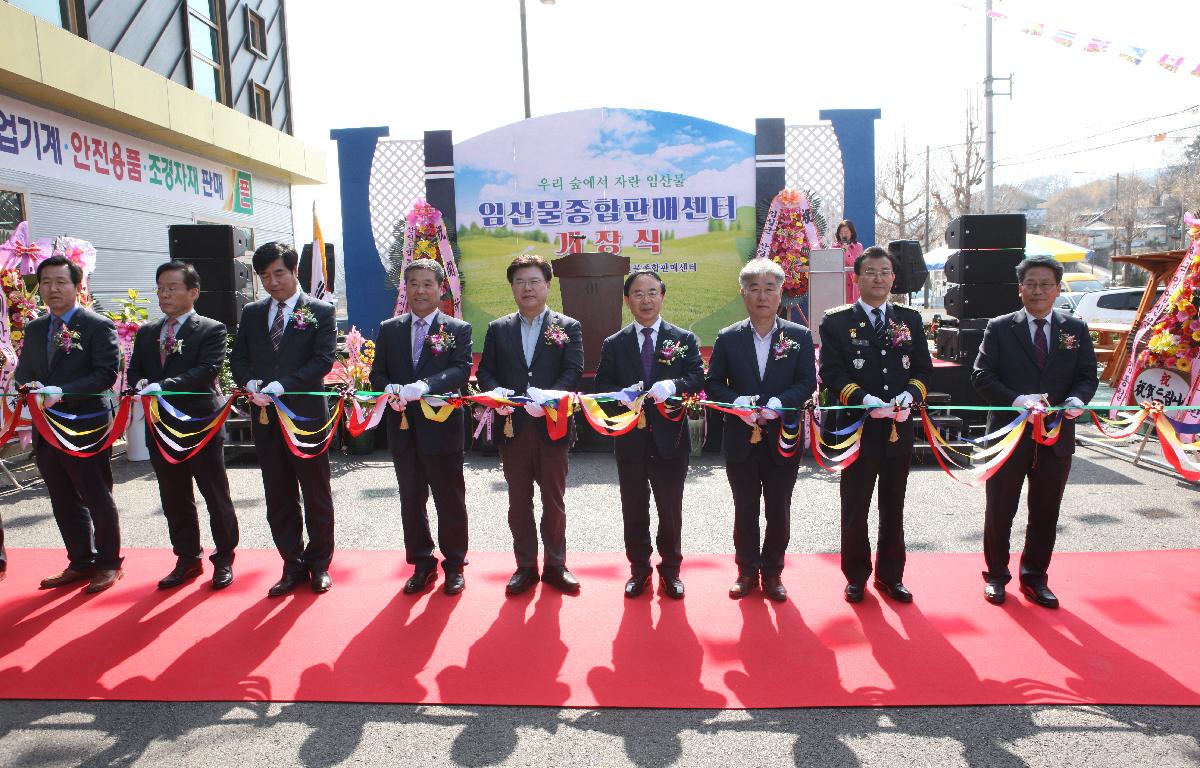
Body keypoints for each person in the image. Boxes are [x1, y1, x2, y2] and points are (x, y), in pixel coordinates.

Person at [972, 254, 1098, 609]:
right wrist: (1015, 400)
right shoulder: (999, 327)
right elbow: (981, 376)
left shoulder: (1074, 328)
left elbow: (1088, 375)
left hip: (1056, 436)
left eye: (1045, 284)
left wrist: (1077, 397)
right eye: (1031, 284)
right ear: (1020, 289)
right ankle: (996, 576)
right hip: (1009, 435)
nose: (1038, 290)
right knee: (1000, 509)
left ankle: (1035, 578)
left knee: (1046, 511)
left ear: (1058, 289)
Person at [818, 245, 932, 604]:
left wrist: (909, 396)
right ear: (856, 278)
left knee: (893, 506)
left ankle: (890, 576)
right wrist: (864, 399)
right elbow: (831, 373)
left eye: (884, 272)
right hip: (857, 428)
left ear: (894, 278)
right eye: (870, 272)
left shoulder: (910, 319)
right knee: (855, 505)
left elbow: (923, 369)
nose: (878, 278)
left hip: (897, 427)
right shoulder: (836, 321)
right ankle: (856, 576)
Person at [705, 259, 816, 602]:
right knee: (745, 507)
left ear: (781, 293)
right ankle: (745, 571)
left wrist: (781, 403)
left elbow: (807, 382)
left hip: (783, 436)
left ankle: (773, 572)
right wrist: (737, 402)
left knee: (779, 507)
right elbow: (713, 385)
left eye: (770, 288)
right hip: (741, 437)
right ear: (744, 294)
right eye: (755, 289)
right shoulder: (728, 338)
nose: (763, 296)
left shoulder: (797, 335)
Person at [230, 242, 336, 597]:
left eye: (278, 273)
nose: (272, 282)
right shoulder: (253, 313)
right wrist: (250, 383)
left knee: (316, 492)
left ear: (294, 272)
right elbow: (239, 359)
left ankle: (319, 564)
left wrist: (284, 384)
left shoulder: (320, 311)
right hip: (265, 417)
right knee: (278, 493)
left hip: (305, 418)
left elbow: (323, 360)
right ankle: (291, 563)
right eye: (265, 276)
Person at [127, 260, 239, 591]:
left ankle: (224, 558)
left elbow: (206, 370)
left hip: (200, 423)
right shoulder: (148, 332)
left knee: (215, 493)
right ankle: (187, 558)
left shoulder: (211, 329)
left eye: (172, 288)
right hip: (160, 427)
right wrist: (139, 384)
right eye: (160, 288)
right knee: (173, 495)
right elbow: (134, 371)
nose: (164, 294)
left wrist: (164, 385)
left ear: (193, 292)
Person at [476, 254, 584, 596]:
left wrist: (550, 399)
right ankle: (525, 566)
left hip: (552, 426)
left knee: (554, 500)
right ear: (512, 287)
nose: (528, 288)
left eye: (534, 281)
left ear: (547, 285)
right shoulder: (498, 328)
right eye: (520, 281)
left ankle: (555, 565)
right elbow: (485, 373)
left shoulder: (567, 327)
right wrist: (498, 394)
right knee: (518, 500)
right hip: (513, 428)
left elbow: (573, 371)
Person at [13, 254, 122, 593]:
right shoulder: (34, 328)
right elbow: (24, 370)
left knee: (96, 494)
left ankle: (108, 563)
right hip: (47, 426)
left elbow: (107, 373)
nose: (52, 289)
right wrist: (28, 385)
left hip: (85, 423)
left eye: (61, 282)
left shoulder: (97, 325)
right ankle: (80, 560)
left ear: (78, 286)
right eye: (46, 282)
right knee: (61, 496)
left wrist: (64, 391)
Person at [594, 270, 704, 600]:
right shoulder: (615, 343)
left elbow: (698, 377)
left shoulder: (682, 338)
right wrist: (620, 394)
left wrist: (674, 385)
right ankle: (639, 570)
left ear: (663, 296)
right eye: (638, 294)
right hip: (630, 438)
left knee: (671, 509)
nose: (646, 300)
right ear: (627, 300)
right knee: (634, 507)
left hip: (670, 439)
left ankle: (670, 570)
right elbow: (601, 386)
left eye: (652, 292)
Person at [371, 258, 473, 596]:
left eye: (427, 283)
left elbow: (459, 371)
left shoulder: (457, 329)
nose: (419, 290)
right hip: (402, 427)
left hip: (442, 429)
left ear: (440, 288)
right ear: (405, 287)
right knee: (411, 499)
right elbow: (378, 373)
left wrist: (426, 385)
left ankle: (455, 564)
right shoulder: (390, 328)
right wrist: (389, 388)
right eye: (413, 283)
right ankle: (421, 562)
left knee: (449, 499)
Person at [834, 219, 864, 304]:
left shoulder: (858, 246)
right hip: (839, 286)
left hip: (853, 286)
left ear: (851, 233)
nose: (843, 235)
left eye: (846, 233)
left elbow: (856, 265)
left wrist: (846, 251)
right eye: (841, 233)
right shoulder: (833, 247)